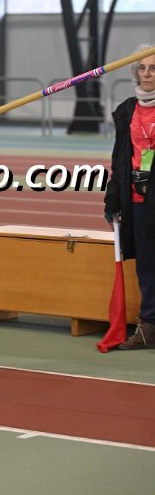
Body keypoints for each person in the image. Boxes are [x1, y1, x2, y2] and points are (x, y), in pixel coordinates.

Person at [104, 44, 155, 349]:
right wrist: (113, 198)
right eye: (142, 68)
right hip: (137, 201)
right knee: (146, 266)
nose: (147, 74)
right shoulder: (126, 110)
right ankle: (149, 326)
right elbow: (120, 159)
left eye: (153, 68)